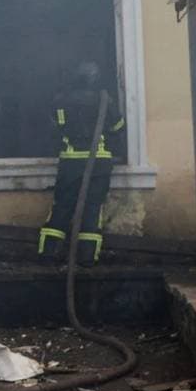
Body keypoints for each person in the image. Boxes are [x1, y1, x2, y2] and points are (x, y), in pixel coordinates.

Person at [37, 61, 125, 266]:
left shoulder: (61, 101)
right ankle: (87, 257)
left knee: (62, 206)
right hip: (98, 163)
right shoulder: (105, 100)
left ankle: (48, 253)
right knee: (93, 208)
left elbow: (55, 128)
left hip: (71, 163)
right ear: (96, 80)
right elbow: (118, 127)